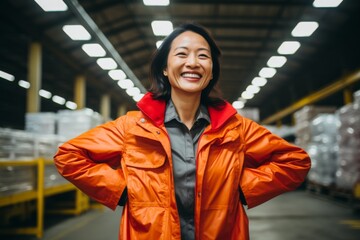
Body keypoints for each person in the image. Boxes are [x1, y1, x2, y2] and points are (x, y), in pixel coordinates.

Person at [54, 23, 311, 240]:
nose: (192, 63)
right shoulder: (132, 128)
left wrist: (241, 189)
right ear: (165, 68)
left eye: (202, 56)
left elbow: (295, 161)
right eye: (182, 54)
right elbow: (69, 156)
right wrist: (122, 190)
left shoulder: (236, 129)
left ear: (211, 72)